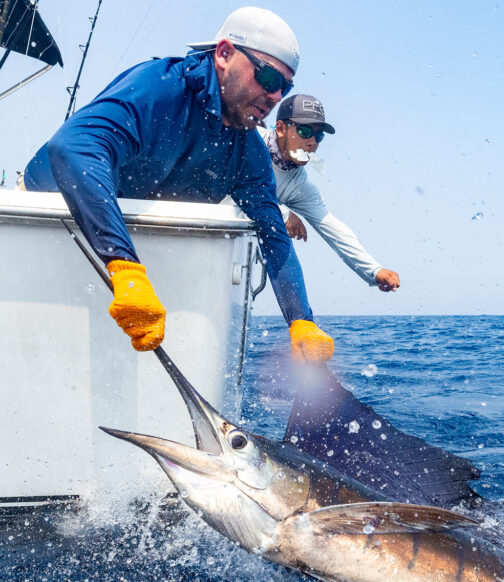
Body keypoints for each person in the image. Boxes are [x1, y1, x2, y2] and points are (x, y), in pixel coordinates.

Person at [22, 7, 334, 362]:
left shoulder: (249, 152)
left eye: (286, 87)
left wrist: (301, 321)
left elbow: (273, 233)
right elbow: (73, 146)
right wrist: (125, 266)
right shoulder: (160, 87)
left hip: (124, 256)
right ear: (224, 54)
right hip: (42, 222)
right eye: (268, 77)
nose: (277, 96)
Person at [260, 94, 400, 293]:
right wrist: (282, 214)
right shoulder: (249, 139)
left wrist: (374, 270)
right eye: (305, 131)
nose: (312, 143)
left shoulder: (299, 184)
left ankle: (301, 321)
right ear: (281, 129)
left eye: (319, 136)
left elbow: (333, 228)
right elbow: (236, 193)